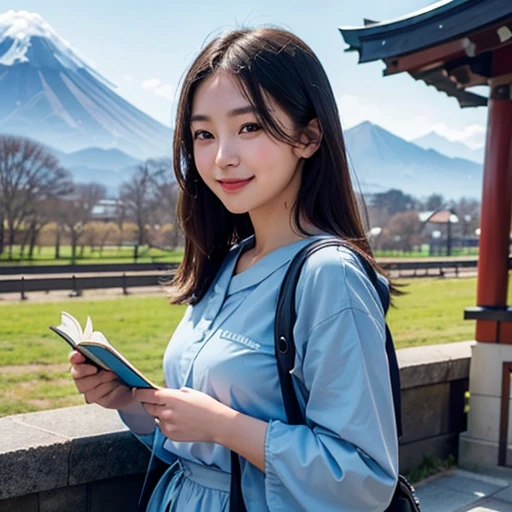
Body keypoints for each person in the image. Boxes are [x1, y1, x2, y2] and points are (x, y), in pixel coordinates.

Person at [69, 27, 398, 512]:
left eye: (250, 127)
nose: (222, 157)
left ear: (308, 136)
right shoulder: (225, 265)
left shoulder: (330, 276)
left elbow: (363, 480)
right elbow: (201, 444)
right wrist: (128, 399)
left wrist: (226, 426)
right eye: (204, 134)